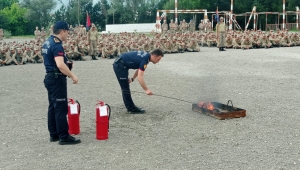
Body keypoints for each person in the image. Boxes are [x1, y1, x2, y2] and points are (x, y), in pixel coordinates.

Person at [41, 21, 81, 145]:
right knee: (60, 108)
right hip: (57, 78)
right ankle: (64, 136)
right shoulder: (57, 45)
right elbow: (60, 64)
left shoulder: (47, 41)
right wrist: (72, 75)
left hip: (50, 76)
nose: (68, 34)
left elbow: (48, 60)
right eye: (67, 31)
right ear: (62, 31)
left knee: (53, 106)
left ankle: (54, 134)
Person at [113, 49, 164, 114]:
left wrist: (132, 78)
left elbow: (139, 69)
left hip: (123, 64)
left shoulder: (146, 57)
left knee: (125, 86)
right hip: (120, 65)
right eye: (158, 59)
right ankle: (131, 108)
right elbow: (140, 77)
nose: (158, 61)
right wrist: (146, 90)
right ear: (154, 56)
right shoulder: (145, 59)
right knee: (125, 87)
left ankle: (129, 105)